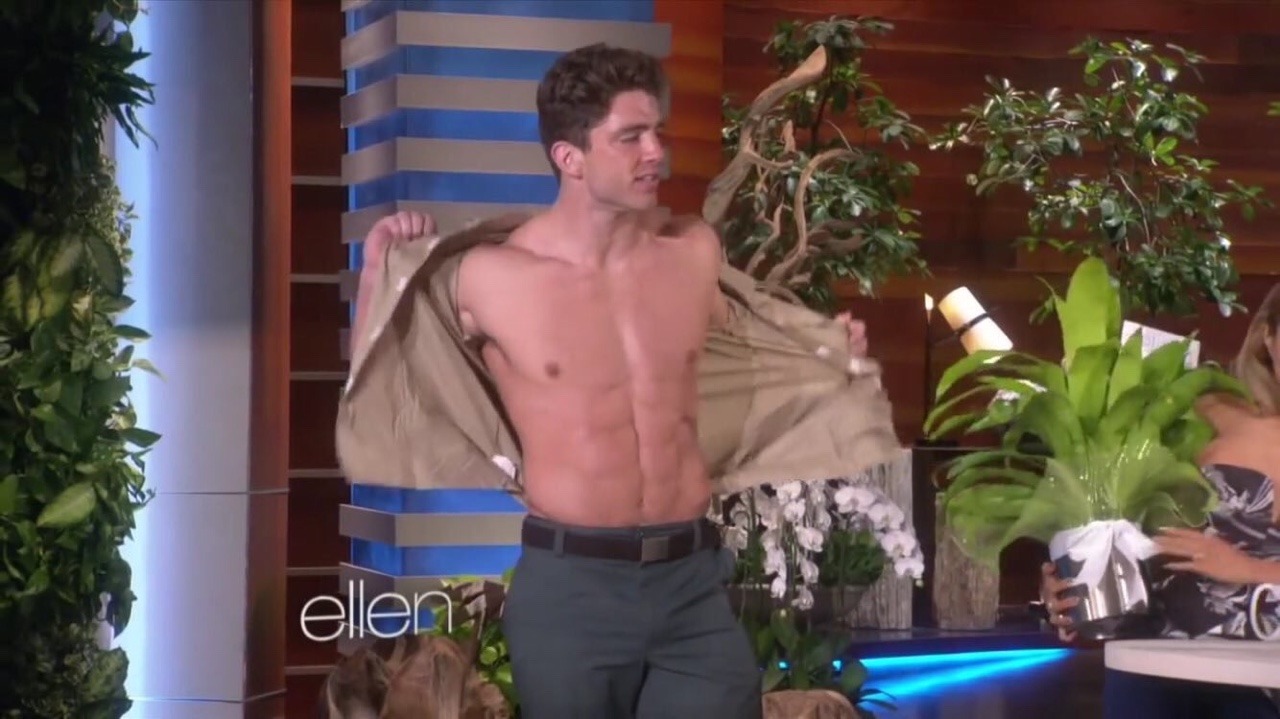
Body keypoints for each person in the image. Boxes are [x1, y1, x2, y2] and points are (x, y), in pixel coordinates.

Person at [338, 44, 901, 719]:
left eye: (657, 131)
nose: (656, 152)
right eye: (630, 137)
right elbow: (384, 375)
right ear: (569, 157)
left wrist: (822, 351)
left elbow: (751, 342)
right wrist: (379, 270)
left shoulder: (691, 253)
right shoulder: (491, 277)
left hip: (691, 580)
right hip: (573, 587)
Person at [1040, 284, 1280, 719]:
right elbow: (1115, 510)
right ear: (1268, 336)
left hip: (1260, 675)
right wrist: (1069, 583)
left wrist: (1249, 569)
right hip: (1149, 662)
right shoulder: (1202, 404)